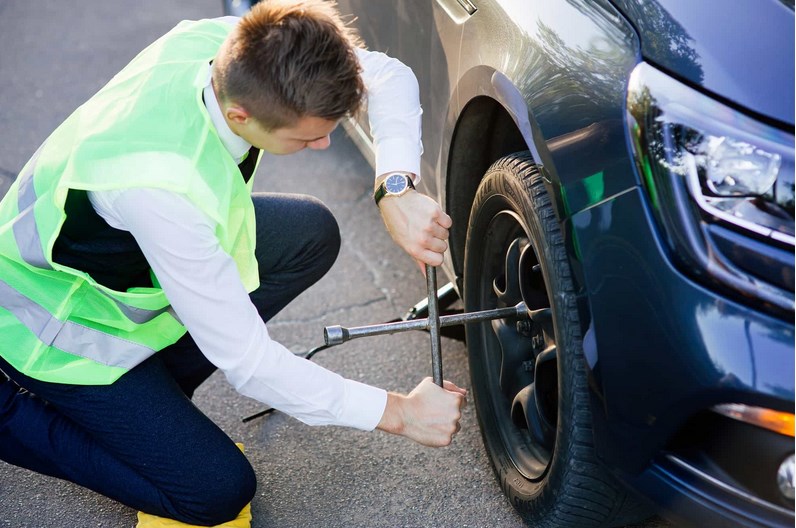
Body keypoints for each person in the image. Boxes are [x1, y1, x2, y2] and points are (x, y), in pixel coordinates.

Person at [0, 1, 465, 527]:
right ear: (242, 115)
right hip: (54, 324)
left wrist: (395, 187)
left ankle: (155, 398)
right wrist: (400, 413)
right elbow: (250, 364)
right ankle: (19, 413)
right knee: (216, 491)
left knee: (310, 233)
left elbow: (387, 75)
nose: (323, 143)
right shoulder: (160, 190)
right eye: (306, 136)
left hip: (132, 273)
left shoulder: (236, 45)